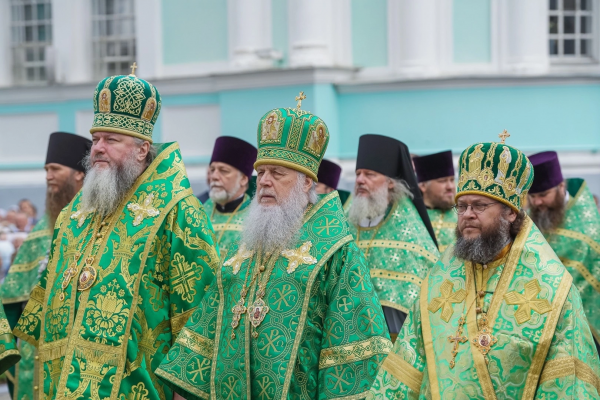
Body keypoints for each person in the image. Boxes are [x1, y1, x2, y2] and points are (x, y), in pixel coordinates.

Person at [156, 96, 391, 400]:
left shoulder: (337, 254)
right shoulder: (247, 247)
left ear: (307, 183)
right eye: (261, 172)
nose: (264, 182)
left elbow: (353, 356)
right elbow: (207, 327)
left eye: (277, 173)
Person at [13, 67, 219, 400]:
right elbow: (48, 286)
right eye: (95, 139)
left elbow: (199, 311)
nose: (97, 148)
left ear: (142, 149)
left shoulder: (179, 212)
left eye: (111, 140)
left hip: (137, 387)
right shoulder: (77, 211)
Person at [369, 134, 600, 399]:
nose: (467, 214)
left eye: (479, 206)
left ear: (510, 212)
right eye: (462, 206)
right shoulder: (438, 281)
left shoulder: (552, 288)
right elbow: (405, 368)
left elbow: (568, 381)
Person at [1, 131, 90, 400]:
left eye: (55, 169)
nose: (48, 175)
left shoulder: (98, 227)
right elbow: (10, 297)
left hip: (77, 356)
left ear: (79, 174)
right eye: (45, 170)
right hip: (34, 356)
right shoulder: (41, 231)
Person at [347, 134, 439, 341]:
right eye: (358, 174)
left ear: (390, 183)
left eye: (369, 174)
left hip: (392, 339)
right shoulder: (345, 221)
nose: (360, 180)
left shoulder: (410, 230)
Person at [528, 151, 600, 352]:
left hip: (588, 321)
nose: (537, 203)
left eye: (543, 195)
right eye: (532, 197)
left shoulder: (589, 224)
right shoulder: (529, 221)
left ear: (561, 187)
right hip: (544, 322)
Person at [203, 136, 257, 258]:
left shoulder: (255, 218)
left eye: (223, 171)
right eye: (212, 170)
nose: (214, 176)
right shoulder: (199, 212)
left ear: (243, 179)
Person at [413, 150, 457, 252]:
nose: (450, 186)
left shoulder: (462, 215)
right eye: (442, 181)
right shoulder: (413, 216)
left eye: (451, 180)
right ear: (423, 186)